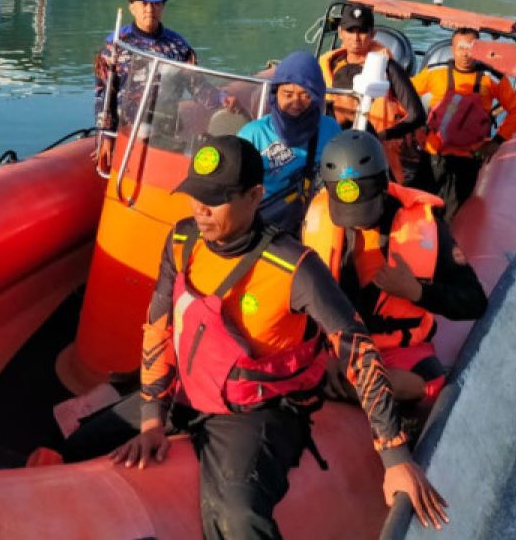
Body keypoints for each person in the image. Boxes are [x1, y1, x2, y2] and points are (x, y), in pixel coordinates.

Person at [62, 135, 449, 536]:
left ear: (255, 196)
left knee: (237, 518)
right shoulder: (181, 240)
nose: (200, 207)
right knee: (81, 445)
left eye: (216, 197)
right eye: (196, 194)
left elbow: (357, 349)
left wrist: (395, 455)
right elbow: (158, 328)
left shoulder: (295, 267)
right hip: (190, 390)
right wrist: (150, 422)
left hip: (258, 409)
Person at [302, 131, 487, 408]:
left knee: (431, 394)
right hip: (336, 346)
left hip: (398, 351)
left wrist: (416, 291)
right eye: (347, 213)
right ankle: (354, 385)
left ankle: (359, 387)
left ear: (383, 185)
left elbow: (474, 302)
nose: (358, 223)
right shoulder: (317, 216)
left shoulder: (428, 225)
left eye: (365, 211)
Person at [410, 28, 516, 216]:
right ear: (452, 49)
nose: (465, 54)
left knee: (454, 217)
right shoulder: (435, 72)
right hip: (432, 156)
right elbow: (405, 94)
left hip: (468, 160)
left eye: (471, 48)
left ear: (479, 50)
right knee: (418, 208)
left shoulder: (492, 78)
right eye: (461, 48)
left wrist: (498, 141)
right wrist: (413, 127)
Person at [94, 0, 197, 170]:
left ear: (162, 7)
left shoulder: (179, 45)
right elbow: (103, 94)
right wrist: (105, 135)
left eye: (156, 3)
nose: (150, 9)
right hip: (127, 133)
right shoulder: (115, 44)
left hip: (166, 132)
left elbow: (196, 84)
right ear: (132, 7)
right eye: (144, 3)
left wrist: (223, 99)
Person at [318, 3, 426, 183]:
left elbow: (417, 115)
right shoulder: (330, 65)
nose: (356, 38)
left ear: (372, 34)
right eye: (350, 30)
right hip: (338, 149)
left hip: (379, 150)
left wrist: (383, 136)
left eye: (362, 31)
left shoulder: (389, 68)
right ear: (340, 32)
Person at [237, 50, 341, 232]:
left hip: (316, 219)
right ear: (275, 93)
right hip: (265, 225)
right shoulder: (253, 134)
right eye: (288, 93)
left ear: (317, 96)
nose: (296, 102)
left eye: (305, 95)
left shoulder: (330, 129)